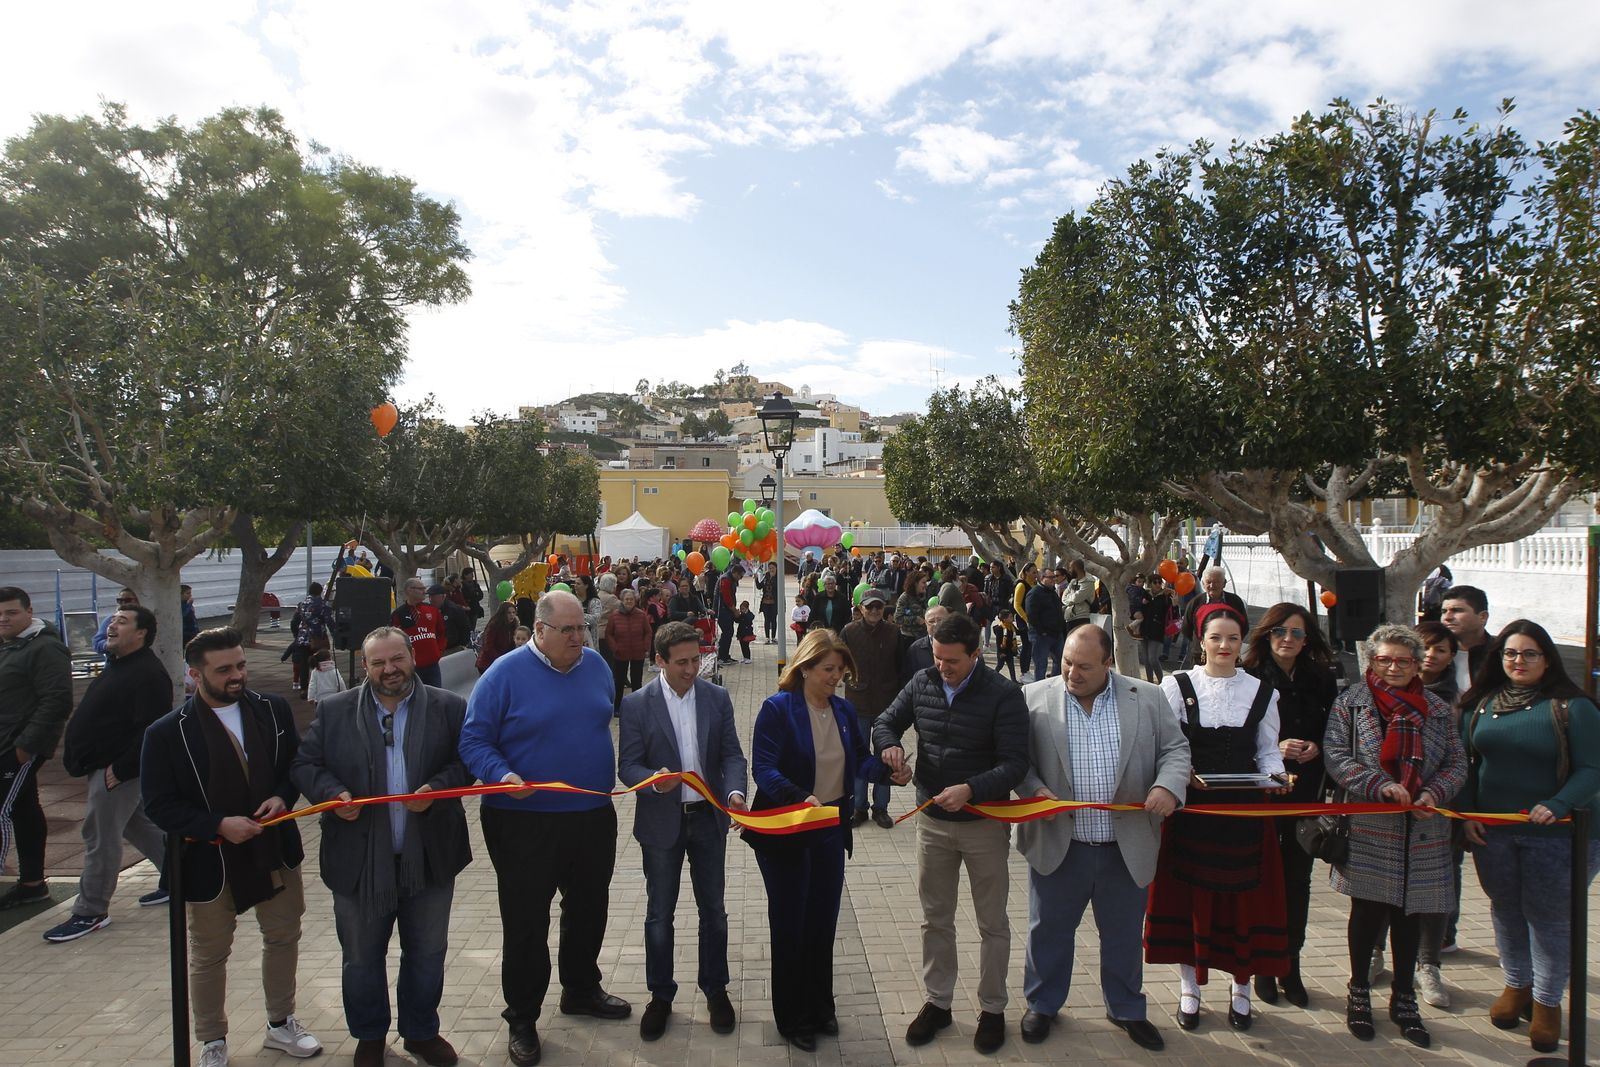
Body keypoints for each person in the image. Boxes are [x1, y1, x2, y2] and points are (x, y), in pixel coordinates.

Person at [459, 591, 630, 1067]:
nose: (579, 638)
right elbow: (473, 739)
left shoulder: (596, 666)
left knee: (589, 907)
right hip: (522, 821)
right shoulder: (503, 674)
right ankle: (522, 1016)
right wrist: (500, 774)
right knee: (527, 921)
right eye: (568, 630)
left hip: (591, 814)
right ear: (539, 630)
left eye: (582, 628)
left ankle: (581, 989)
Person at [290, 628, 472, 1067]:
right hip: (358, 863)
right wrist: (331, 795)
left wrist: (438, 789)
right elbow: (305, 764)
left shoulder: (449, 707)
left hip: (429, 858)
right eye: (379, 663)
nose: (390, 669)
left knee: (427, 953)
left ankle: (421, 1032)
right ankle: (370, 1036)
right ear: (365, 666)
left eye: (397, 659)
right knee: (361, 958)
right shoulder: (335, 710)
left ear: (412, 657)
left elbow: (466, 761)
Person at [140, 627, 322, 1067]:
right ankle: (212, 1039)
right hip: (209, 859)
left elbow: (294, 766)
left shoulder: (273, 709)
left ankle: (281, 1023)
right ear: (195, 674)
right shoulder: (167, 733)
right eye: (223, 670)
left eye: (240, 665)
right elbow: (159, 804)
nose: (237, 675)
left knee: (283, 935)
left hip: (273, 847)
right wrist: (217, 824)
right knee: (209, 952)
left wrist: (282, 797)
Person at [1015, 624, 1189, 1051]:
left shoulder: (1147, 697)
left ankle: (1126, 1007)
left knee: (1124, 935)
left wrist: (1168, 786)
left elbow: (1175, 750)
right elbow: (1016, 760)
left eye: (1084, 667)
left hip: (1125, 847)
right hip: (1061, 843)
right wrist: (1035, 790)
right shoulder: (1032, 698)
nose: (1072, 673)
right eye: (1067, 663)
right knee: (1048, 930)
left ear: (1108, 663)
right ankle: (1042, 1003)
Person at [875, 612, 1030, 1055]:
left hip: (984, 823)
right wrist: (890, 749)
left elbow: (1016, 763)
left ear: (976, 654)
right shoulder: (922, 681)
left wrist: (971, 789)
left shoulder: (1003, 693)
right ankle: (938, 1002)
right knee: (935, 917)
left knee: (992, 923)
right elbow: (885, 722)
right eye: (937, 657)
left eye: (952, 661)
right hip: (933, 823)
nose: (942, 667)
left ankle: (993, 1008)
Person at [747, 629, 905, 1051]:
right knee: (791, 925)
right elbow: (763, 769)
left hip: (830, 828)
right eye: (828, 669)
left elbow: (860, 762)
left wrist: (889, 772)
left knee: (822, 922)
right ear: (805, 667)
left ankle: (820, 1006)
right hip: (788, 828)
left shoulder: (843, 710)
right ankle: (792, 1016)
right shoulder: (778, 709)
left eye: (840, 670)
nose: (836, 677)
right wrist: (799, 796)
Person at [1457, 619, 1600, 1056]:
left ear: (1547, 659)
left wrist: (1558, 803)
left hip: (1558, 834)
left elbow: (1593, 768)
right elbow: (1468, 764)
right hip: (1494, 830)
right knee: (1505, 908)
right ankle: (1517, 985)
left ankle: (1547, 1002)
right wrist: (1467, 814)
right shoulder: (1480, 703)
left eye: (1529, 653)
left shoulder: (1573, 707)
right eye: (1510, 653)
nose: (1518, 661)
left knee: (1549, 918)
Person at [1145, 604, 1288, 1034]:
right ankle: (1189, 987)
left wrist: (1277, 775)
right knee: (1191, 898)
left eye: (1233, 638)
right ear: (1201, 641)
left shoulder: (1262, 692)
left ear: (1242, 642)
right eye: (1216, 637)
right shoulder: (1177, 686)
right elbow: (1164, 746)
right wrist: (1180, 773)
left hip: (1244, 814)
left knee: (1241, 903)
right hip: (1193, 811)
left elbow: (1268, 750)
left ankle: (1241, 989)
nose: (1224, 645)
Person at [1323, 623, 1465, 1049]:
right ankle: (1358, 992)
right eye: (1384, 659)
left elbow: (1457, 762)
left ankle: (1405, 997)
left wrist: (1433, 792)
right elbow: (1336, 755)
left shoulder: (1436, 708)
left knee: (1411, 914)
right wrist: (1378, 785)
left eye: (1403, 660)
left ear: (1418, 663)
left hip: (1422, 826)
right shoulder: (1352, 703)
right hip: (1371, 823)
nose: (1393, 667)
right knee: (1367, 912)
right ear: (1371, 661)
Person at [617, 621, 749, 1042]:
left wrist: (735, 793)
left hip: (708, 820)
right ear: (660, 661)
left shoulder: (716, 697)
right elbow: (627, 766)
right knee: (660, 914)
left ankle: (716, 989)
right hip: (661, 824)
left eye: (697, 659)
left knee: (714, 911)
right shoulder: (637, 705)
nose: (692, 669)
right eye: (682, 663)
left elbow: (732, 754)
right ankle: (660, 995)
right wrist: (653, 780)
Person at [44, 604, 170, 941]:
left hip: (116, 771)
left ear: (141, 633)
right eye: (112, 620)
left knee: (99, 837)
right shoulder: (120, 665)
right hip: (105, 766)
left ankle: (91, 911)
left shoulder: (148, 674)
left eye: (122, 622)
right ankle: (182, 877)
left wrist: (122, 769)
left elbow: (152, 728)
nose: (111, 626)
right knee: (138, 826)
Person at [1240, 603, 1338, 1007]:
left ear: (1307, 639)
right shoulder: (1248, 677)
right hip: (1264, 793)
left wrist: (1317, 747)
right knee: (1265, 879)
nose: (1287, 639)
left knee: (1298, 881)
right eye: (1280, 631)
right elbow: (1235, 737)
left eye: (1297, 633)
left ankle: (1290, 964)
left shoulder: (1321, 678)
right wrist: (1274, 749)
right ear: (1267, 634)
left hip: (1305, 794)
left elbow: (1336, 731)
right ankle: (1263, 964)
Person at [0, 585, 72, 909]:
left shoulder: (45, 648)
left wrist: (26, 746)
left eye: (11, 612)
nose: (3, 619)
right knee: (23, 808)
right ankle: (32, 884)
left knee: (3, 811)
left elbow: (57, 700)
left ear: (29, 612)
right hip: (7, 742)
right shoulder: (8, 645)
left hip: (16, 746)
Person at [841, 588, 901, 830]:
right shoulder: (849, 631)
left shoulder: (894, 632)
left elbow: (901, 666)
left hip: (887, 705)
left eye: (879, 606)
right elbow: (840, 662)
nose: (875, 611)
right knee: (858, 755)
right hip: (858, 703)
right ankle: (859, 807)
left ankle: (881, 808)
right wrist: (849, 679)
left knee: (885, 757)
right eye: (870, 607)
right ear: (861, 609)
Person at [1178, 568, 1248, 665]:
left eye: (1216, 582)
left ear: (1224, 583)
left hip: (1228, 652)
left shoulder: (1235, 601)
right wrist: (1201, 641)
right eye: (1208, 582)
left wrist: (1233, 641)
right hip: (1201, 655)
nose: (1212, 585)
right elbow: (1186, 628)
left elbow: (1244, 626)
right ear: (1203, 584)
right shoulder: (1195, 603)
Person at [604, 588, 654, 715]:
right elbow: (609, 634)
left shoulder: (641, 615)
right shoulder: (614, 615)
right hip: (620, 653)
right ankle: (617, 707)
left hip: (638, 652)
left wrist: (645, 646)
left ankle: (637, 707)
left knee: (637, 682)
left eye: (631, 599)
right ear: (622, 600)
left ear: (635, 600)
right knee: (619, 682)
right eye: (626, 599)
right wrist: (614, 648)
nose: (629, 601)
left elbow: (648, 632)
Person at [392, 579, 445, 688]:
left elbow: (442, 633)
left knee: (436, 694)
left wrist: (438, 652)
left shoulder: (432, 610)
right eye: (420, 589)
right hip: (412, 666)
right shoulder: (399, 614)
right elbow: (393, 640)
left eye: (424, 588)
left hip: (433, 665)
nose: (424, 591)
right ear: (409, 590)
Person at [1440, 585, 1490, 694]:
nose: (1447, 617)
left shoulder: (1500, 653)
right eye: (1444, 611)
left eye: (1457, 610)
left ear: (1483, 617)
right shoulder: (1431, 652)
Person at [1025, 567, 1066, 682]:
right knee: (1041, 665)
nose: (1054, 579)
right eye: (1051, 577)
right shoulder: (1034, 593)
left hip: (1056, 634)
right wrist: (1042, 631)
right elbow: (1031, 615)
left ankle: (1055, 684)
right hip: (1041, 636)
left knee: (1060, 661)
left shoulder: (1053, 592)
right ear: (1042, 578)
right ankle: (1039, 687)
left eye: (1055, 577)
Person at [902, 604, 947, 678]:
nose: (936, 624)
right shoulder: (915, 649)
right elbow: (908, 677)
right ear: (926, 624)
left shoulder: (959, 645)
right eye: (931, 621)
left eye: (940, 620)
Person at [476, 602, 520, 674]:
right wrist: (500, 659)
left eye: (513, 612)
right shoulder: (494, 625)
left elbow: (513, 643)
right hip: (488, 662)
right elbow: (488, 646)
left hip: (504, 660)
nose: (512, 615)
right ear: (503, 613)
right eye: (509, 613)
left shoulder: (513, 624)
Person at [93, 588, 139, 655]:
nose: (123, 603)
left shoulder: (144, 619)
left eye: (127, 600)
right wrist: (109, 644)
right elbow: (97, 643)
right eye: (120, 600)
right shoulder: (110, 619)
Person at [428, 585, 472, 653]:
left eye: (433, 596)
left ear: (443, 596)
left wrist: (462, 645)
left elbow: (465, 628)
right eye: (429, 596)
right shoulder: (430, 610)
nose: (430, 599)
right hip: (438, 648)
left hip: (453, 648)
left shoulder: (454, 609)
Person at [1012, 562, 1037, 679]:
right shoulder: (1021, 585)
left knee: (1030, 646)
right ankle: (1023, 672)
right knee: (1026, 645)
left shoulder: (1035, 584)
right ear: (1026, 572)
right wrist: (1026, 619)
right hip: (1023, 620)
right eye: (1033, 572)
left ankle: (1026, 670)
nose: (1036, 575)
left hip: (1033, 619)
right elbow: (1017, 605)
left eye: (1036, 572)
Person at [894, 569, 930, 640]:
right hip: (909, 637)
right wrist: (916, 619)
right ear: (915, 583)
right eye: (923, 582)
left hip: (924, 635)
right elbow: (898, 618)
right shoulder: (905, 597)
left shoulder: (924, 595)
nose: (926, 585)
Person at [714, 566, 739, 665]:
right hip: (722, 610)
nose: (740, 578)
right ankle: (722, 656)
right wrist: (734, 610)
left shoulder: (729, 579)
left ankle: (724, 655)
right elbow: (727, 598)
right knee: (727, 632)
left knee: (728, 632)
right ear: (735, 572)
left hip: (726, 610)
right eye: (740, 576)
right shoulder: (726, 579)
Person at [991, 607, 1020, 681]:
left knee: (1011, 667)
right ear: (1004, 619)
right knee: (1000, 666)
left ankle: (1014, 680)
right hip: (1002, 651)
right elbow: (998, 642)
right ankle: (992, 677)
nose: (1012, 618)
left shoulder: (1011, 626)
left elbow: (1018, 632)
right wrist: (1000, 652)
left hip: (1009, 651)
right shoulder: (1000, 628)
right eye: (1010, 617)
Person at [757, 561, 779, 643]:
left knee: (773, 620)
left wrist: (773, 578)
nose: (771, 570)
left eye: (773, 568)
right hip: (765, 602)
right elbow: (759, 586)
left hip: (774, 602)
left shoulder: (778, 577)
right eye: (770, 568)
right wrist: (756, 579)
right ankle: (767, 637)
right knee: (766, 620)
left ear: (776, 568)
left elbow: (778, 587)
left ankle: (773, 637)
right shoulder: (766, 576)